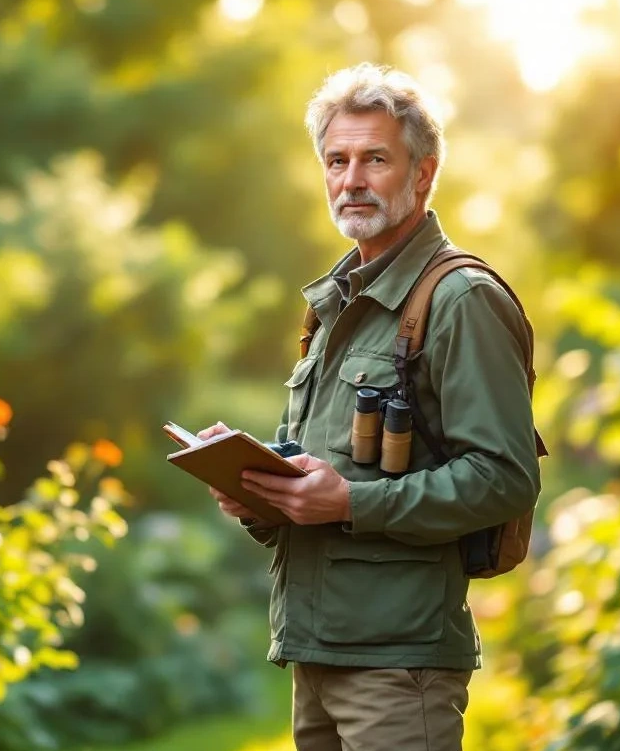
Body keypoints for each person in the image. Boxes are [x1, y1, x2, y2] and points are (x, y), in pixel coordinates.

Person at [197, 63, 542, 750]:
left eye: (374, 158)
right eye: (337, 159)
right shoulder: (333, 306)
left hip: (398, 665)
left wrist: (352, 504)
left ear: (422, 173)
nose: (351, 178)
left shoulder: (460, 300)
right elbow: (319, 477)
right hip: (317, 656)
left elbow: (506, 478)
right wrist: (255, 490)